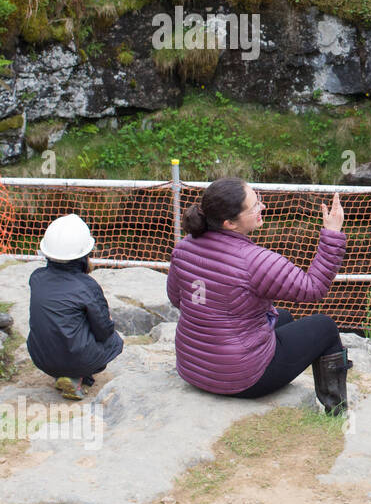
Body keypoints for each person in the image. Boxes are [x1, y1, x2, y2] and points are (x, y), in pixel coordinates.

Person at [166, 177, 352, 415]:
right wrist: (332, 233)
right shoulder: (253, 260)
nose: (262, 207)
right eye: (254, 206)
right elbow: (313, 287)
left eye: (259, 199)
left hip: (193, 368)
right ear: (230, 223)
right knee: (325, 327)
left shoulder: (184, 247)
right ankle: (337, 410)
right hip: (242, 378)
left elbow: (177, 299)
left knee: (283, 317)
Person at [27, 214, 124, 400]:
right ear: (84, 254)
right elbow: (103, 331)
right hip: (77, 359)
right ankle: (77, 377)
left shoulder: (36, 278)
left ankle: (61, 373)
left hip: (40, 357)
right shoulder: (87, 286)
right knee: (114, 342)